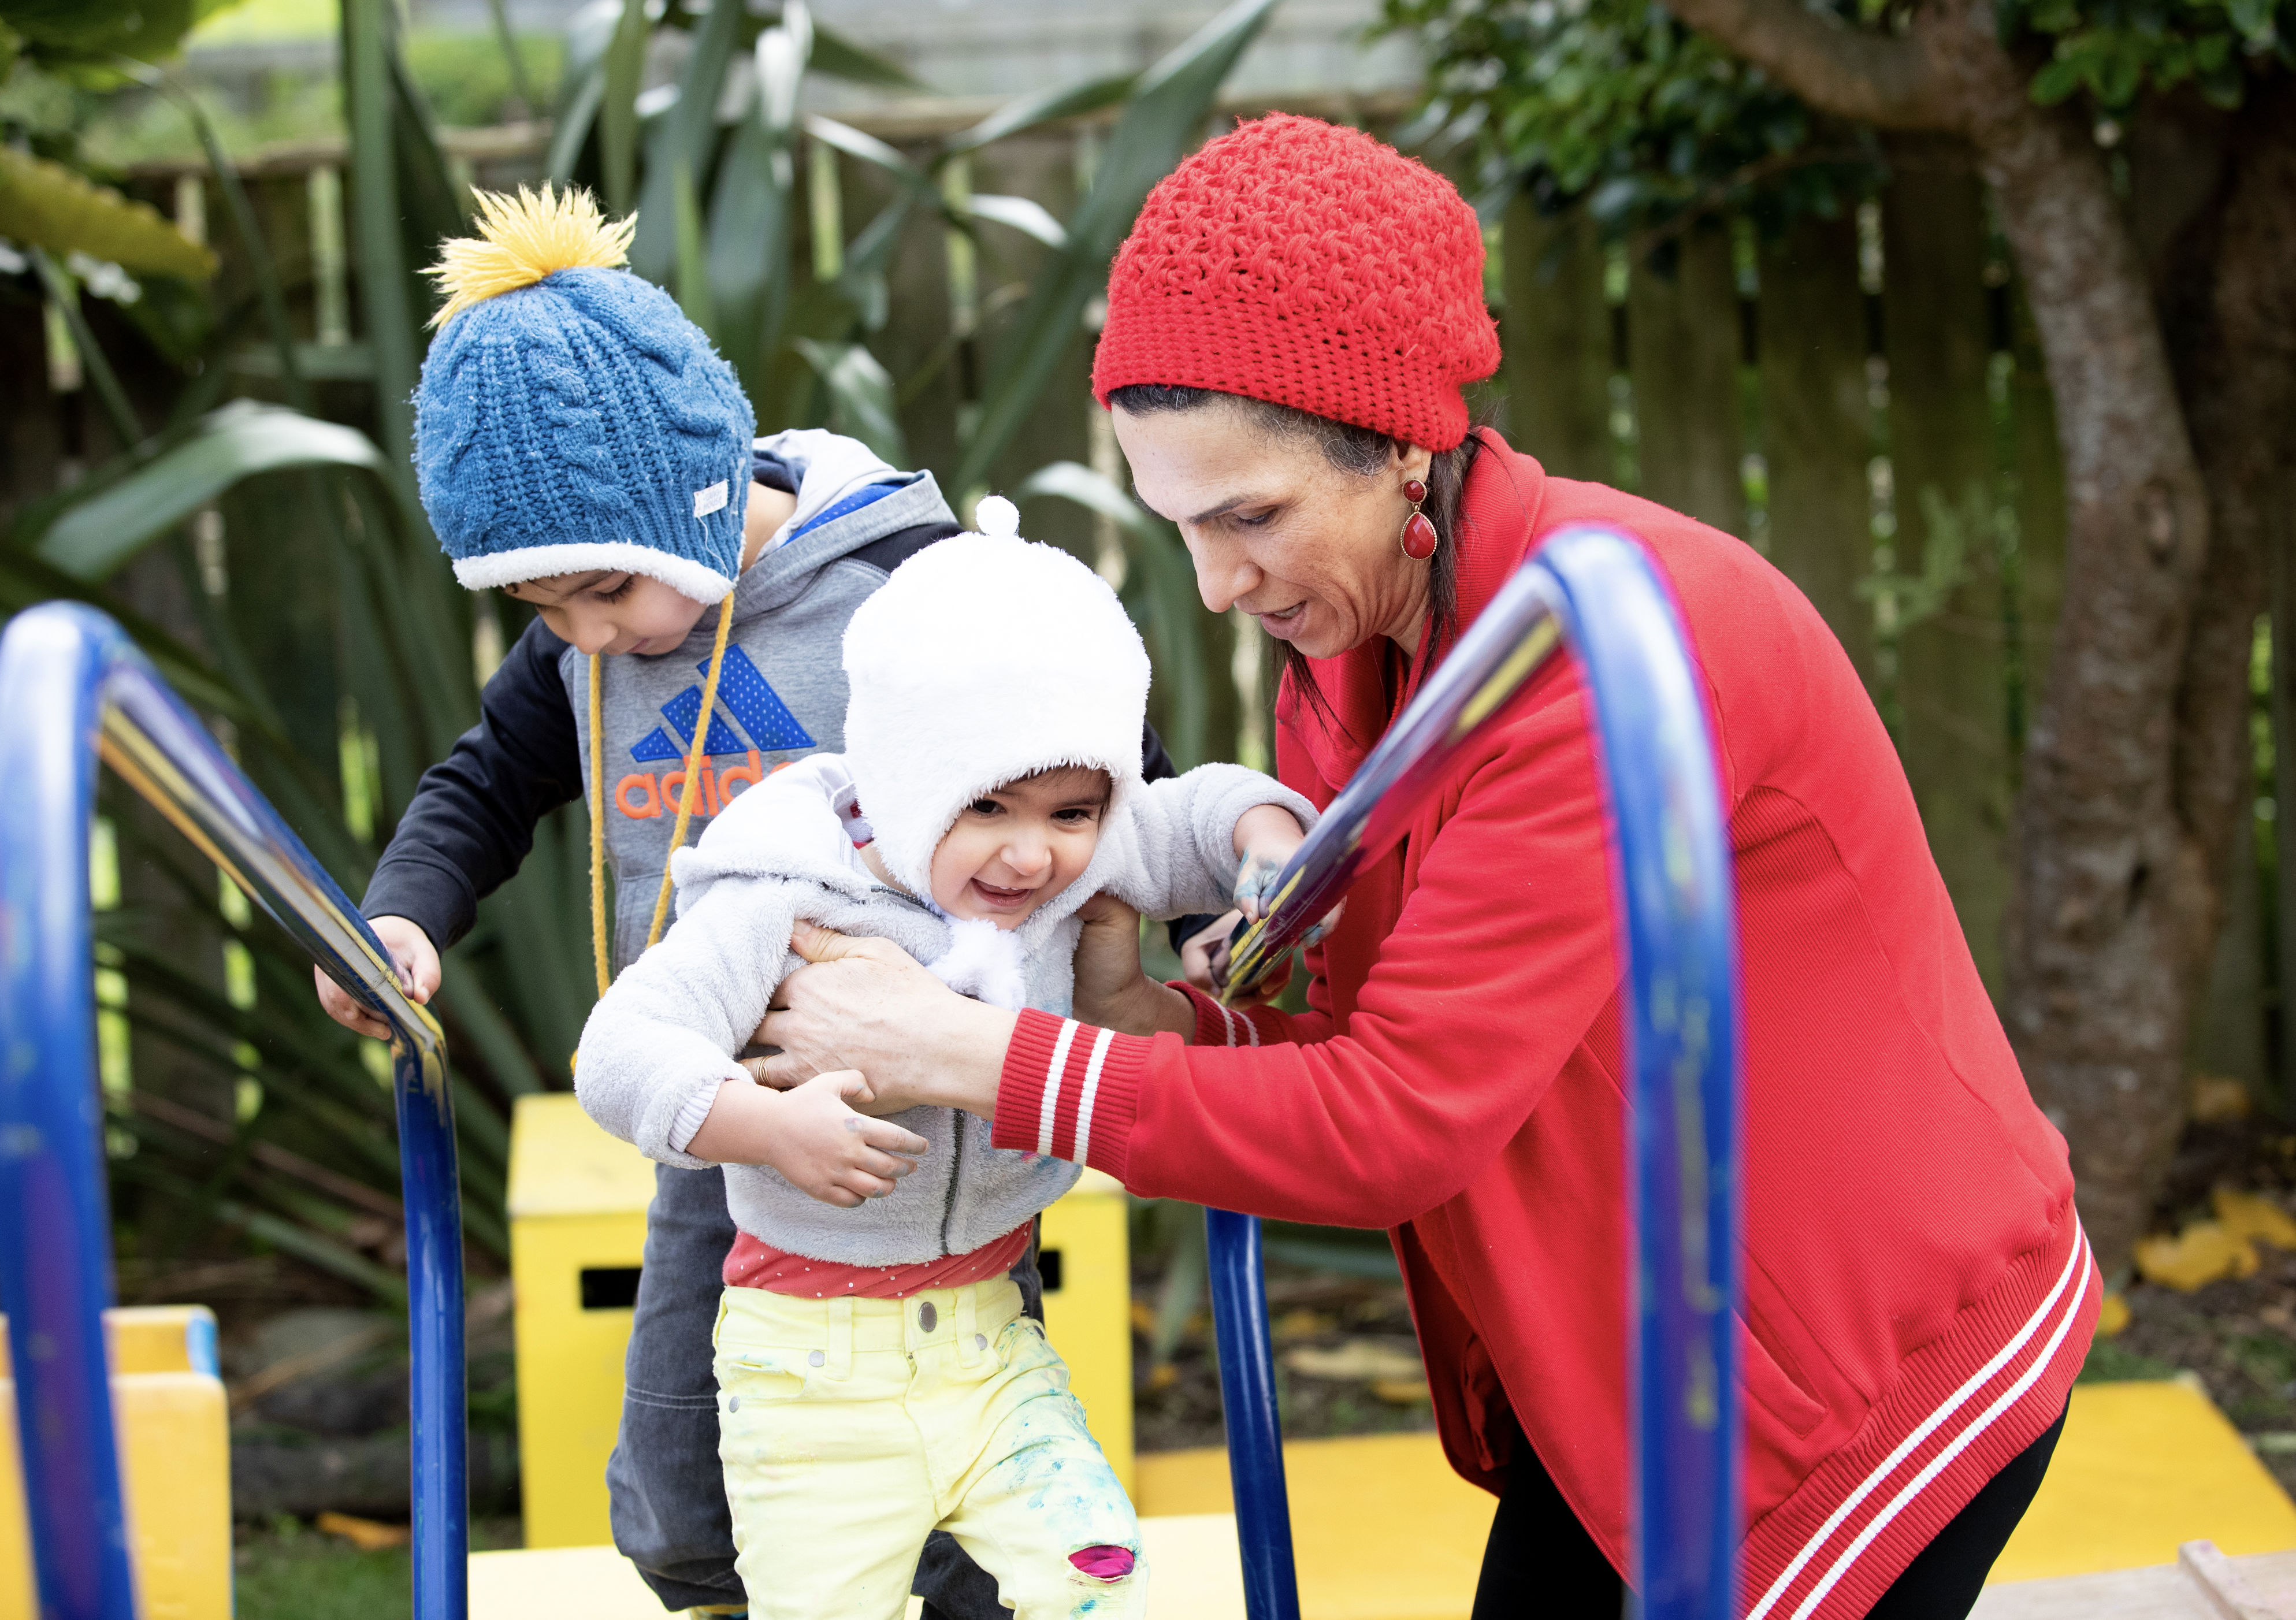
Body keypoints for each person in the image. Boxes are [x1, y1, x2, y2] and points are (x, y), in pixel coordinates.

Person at [742, 116, 2097, 1620]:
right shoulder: (1348, 657)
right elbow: (1382, 1023)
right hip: (1635, 1361)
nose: (1214, 585)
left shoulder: (1606, 642)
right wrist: (1155, 1025)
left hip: (1841, 1371)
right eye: (1177, 525)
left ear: (1398, 445)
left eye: (1247, 516)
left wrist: (974, 1055)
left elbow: (1397, 1121)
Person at [304, 186, 1192, 1618]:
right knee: (677, 1504)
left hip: (940, 1110)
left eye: (602, 592)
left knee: (967, 1469)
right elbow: (481, 786)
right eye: (546, 613)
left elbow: (1101, 755)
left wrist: (1190, 908)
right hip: (727, 1106)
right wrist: (404, 916)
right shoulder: (588, 653)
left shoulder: (907, 584)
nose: (586, 639)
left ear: (700, 501)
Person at [576, 527, 1314, 1618]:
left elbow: (1193, 812)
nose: (1032, 856)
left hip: (989, 1340)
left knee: (1094, 1577)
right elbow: (621, 1052)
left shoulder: (1076, 850)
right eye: (989, 812)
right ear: (906, 781)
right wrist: (764, 1127)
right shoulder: (785, 894)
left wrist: (1262, 838)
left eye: (1072, 813)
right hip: (810, 1372)